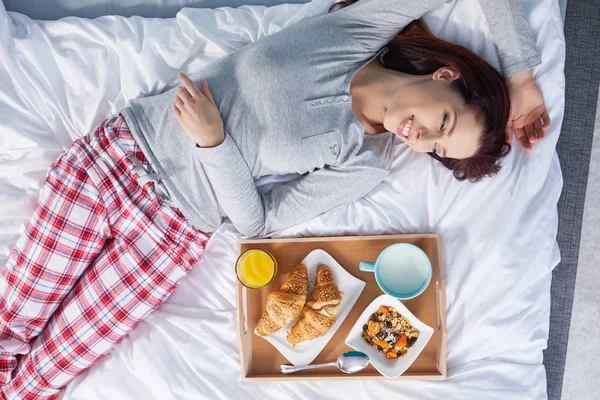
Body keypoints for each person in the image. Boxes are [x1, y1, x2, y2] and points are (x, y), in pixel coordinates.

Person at [0, 0, 549, 398]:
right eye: (442, 121)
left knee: (37, 383)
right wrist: (522, 78)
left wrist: (213, 142)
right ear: (444, 75)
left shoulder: (363, 163)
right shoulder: (358, 29)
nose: (421, 138)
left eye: (435, 148)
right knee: (9, 331)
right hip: (116, 161)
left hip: (170, 236)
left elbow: (257, 226)